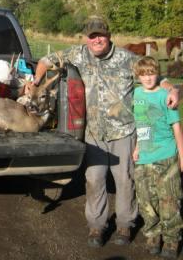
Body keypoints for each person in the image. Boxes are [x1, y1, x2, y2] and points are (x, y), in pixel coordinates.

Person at [33, 16, 179, 248]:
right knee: (94, 180)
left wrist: (172, 89)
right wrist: (36, 79)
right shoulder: (78, 54)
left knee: (124, 181)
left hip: (124, 132)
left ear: (109, 36)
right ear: (86, 38)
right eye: (92, 36)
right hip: (94, 134)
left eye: (101, 35)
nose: (97, 39)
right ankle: (97, 226)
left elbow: (154, 76)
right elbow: (46, 59)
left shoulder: (126, 58)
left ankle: (124, 224)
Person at [132, 56, 183, 258]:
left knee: (169, 199)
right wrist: (137, 147)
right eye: (143, 75)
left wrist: (181, 155)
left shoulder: (166, 96)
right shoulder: (136, 94)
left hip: (166, 154)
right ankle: (153, 234)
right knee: (146, 199)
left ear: (157, 74)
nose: (148, 78)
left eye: (151, 73)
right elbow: (140, 124)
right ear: (138, 76)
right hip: (144, 156)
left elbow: (177, 129)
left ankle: (171, 240)